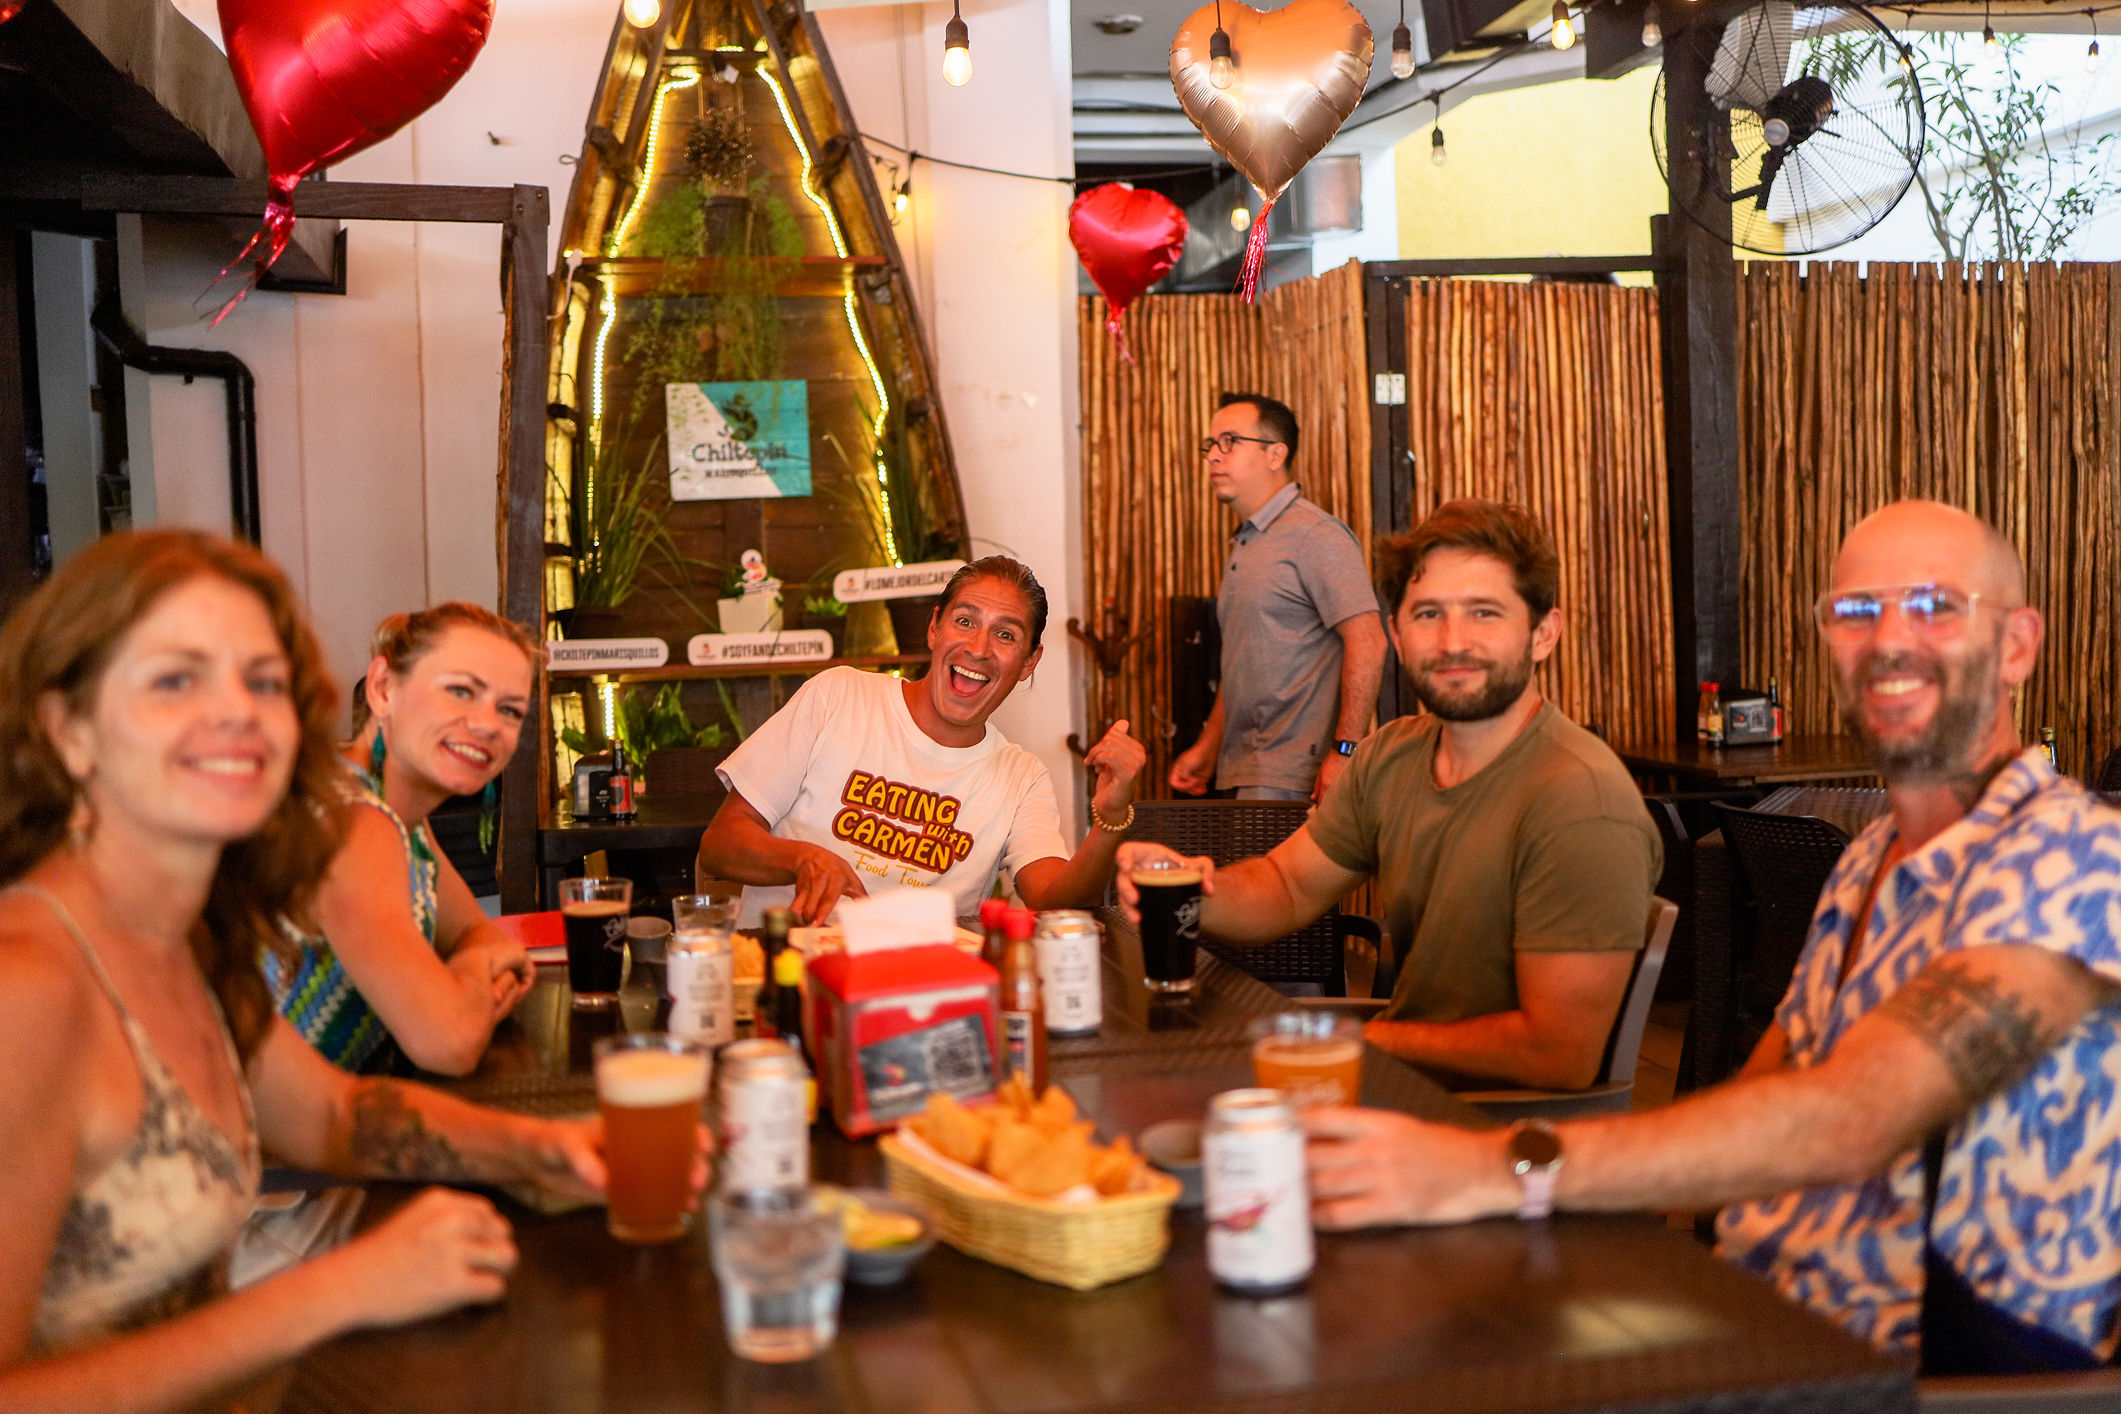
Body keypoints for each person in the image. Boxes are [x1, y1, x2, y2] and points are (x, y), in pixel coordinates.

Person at [1301, 500, 2121, 1373]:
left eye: (1933, 606)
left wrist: (1484, 1170)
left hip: (1932, 1370)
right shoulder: (1871, 858)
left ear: (2017, 646)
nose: (1887, 639)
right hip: (1762, 1312)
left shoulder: (2073, 858)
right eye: (1855, 610)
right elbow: (1762, 1095)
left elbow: (1846, 1118)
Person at [0, 530, 629, 1412]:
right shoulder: (29, 985)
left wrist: (540, 1149)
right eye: (175, 679)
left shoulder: (180, 945)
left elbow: (335, 1116)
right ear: (68, 730)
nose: (237, 712)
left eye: (263, 682)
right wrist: (341, 1290)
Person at [1121, 499, 1659, 1091]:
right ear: (1398, 637)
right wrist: (1192, 890)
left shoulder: (1582, 802)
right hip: (1399, 1087)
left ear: (1543, 634)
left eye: (1484, 612)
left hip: (1492, 1128)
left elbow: (1557, 1053)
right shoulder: (1392, 755)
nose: (1453, 641)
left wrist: (1355, 1042)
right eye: (1428, 614)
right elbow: (1288, 885)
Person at [698, 555, 1148, 926]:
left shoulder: (1022, 777)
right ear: (935, 628)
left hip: (925, 987)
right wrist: (801, 859)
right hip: (790, 974)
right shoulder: (837, 695)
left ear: (1029, 662)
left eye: (1005, 635)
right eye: (965, 621)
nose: (978, 648)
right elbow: (719, 845)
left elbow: (1054, 904)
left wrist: (1110, 819)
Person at [270, 605, 540, 1076]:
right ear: (382, 688)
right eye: (460, 691)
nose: (487, 724)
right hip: (266, 1123)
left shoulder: (401, 818)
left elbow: (473, 931)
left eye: (509, 710)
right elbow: (450, 1042)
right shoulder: (355, 822)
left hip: (343, 1104)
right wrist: (480, 970)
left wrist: (466, 974)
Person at [1168, 393, 1387, 803]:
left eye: (1230, 441)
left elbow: (1369, 641)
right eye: (1211, 444)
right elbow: (1245, 661)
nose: (1213, 455)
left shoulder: (1315, 534)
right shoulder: (1249, 540)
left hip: (1296, 773)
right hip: (1246, 767)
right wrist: (1209, 748)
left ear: (1275, 454)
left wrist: (1346, 751)